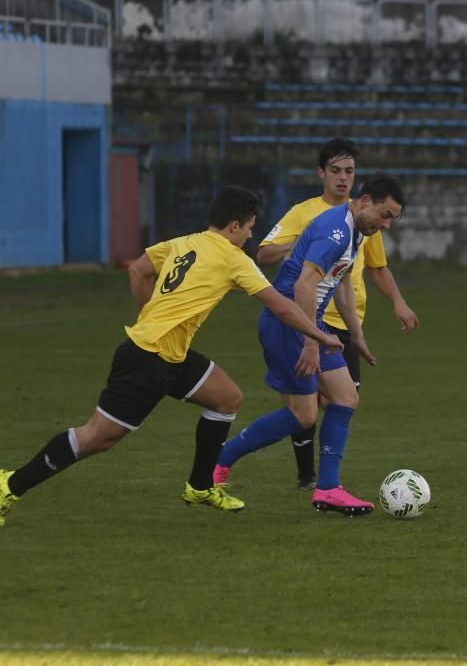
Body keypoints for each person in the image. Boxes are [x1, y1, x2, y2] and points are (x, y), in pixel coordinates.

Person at [0, 186, 342, 526]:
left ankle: (200, 486)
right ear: (235, 226)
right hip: (147, 360)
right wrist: (319, 334)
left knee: (226, 398)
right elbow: (281, 306)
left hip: (170, 355)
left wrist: (148, 316)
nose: (250, 235)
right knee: (96, 438)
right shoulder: (233, 258)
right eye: (250, 227)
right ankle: (9, 485)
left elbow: (138, 270)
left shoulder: (184, 242)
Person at [214, 172, 406, 516]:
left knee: (330, 404)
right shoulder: (335, 231)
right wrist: (310, 342)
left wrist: (356, 336)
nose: (387, 225)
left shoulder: (355, 229)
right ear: (365, 202)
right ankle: (227, 460)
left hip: (303, 322)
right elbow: (304, 286)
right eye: (385, 215)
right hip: (288, 322)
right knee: (313, 410)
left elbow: (342, 281)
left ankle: (323, 487)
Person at [257, 138, 419, 490]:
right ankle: (310, 477)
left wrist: (398, 302)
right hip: (310, 316)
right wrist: (303, 240)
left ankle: (325, 482)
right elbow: (265, 253)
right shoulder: (305, 213)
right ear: (321, 172)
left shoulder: (366, 216)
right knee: (312, 403)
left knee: (339, 401)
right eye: (336, 170)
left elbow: (375, 266)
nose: (343, 178)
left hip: (347, 321)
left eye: (350, 171)